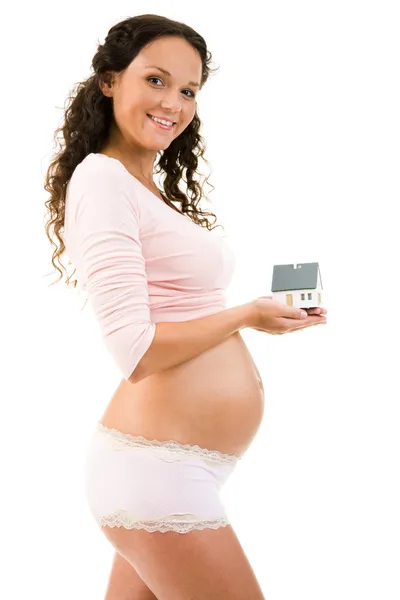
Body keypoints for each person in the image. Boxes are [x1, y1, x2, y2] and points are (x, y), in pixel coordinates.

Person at [43, 13, 327, 600]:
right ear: (108, 82)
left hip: (170, 469)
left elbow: (181, 313)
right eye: (155, 80)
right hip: (157, 472)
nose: (172, 101)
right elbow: (135, 350)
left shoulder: (143, 186)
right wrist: (246, 314)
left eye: (189, 89)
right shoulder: (101, 181)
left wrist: (259, 315)